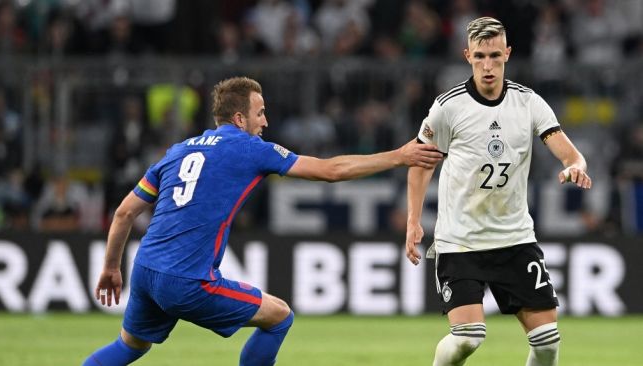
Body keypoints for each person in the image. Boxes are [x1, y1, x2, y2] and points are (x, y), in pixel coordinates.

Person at [83, 76, 443, 366]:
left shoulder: (179, 151)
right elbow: (331, 170)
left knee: (131, 346)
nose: (265, 121)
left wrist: (112, 268)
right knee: (279, 316)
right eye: (260, 112)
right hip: (186, 280)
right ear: (240, 119)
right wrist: (399, 156)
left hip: (144, 270)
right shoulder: (248, 148)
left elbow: (124, 213)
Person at [405, 17, 592, 366]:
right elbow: (420, 163)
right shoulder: (448, 107)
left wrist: (575, 165)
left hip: (514, 239)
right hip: (461, 241)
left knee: (547, 342)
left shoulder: (529, 103)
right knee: (467, 339)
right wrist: (413, 221)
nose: (487, 66)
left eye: (494, 56)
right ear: (467, 56)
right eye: (479, 57)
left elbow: (569, 152)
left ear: (507, 53)